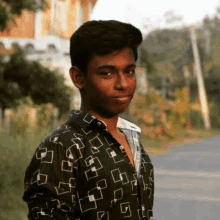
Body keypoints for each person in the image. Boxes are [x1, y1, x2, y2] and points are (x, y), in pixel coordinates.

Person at [23, 20, 154, 220]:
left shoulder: (130, 140)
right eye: (107, 73)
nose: (123, 84)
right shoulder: (62, 147)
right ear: (78, 78)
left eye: (129, 71)